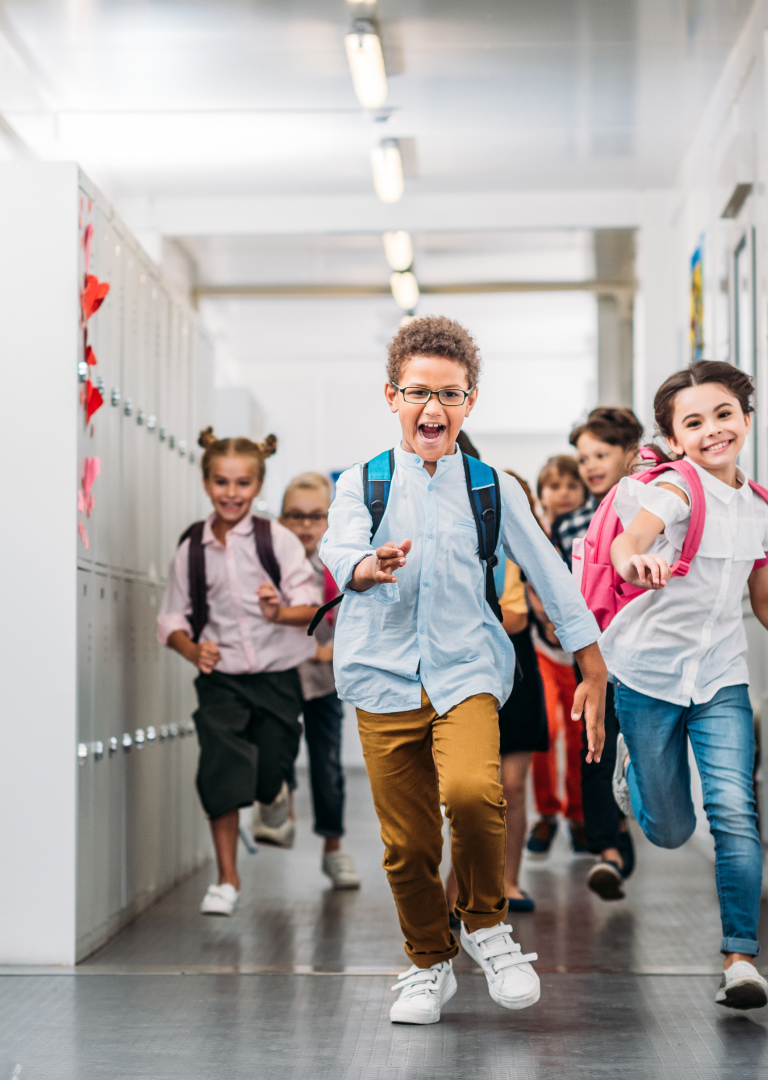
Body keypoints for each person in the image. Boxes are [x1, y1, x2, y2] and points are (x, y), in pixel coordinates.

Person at [319, 315, 606, 1025]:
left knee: (478, 794)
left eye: (450, 395)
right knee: (406, 843)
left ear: (470, 402)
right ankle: (426, 963)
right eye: (419, 393)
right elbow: (338, 550)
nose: (433, 409)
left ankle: (484, 925)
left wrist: (593, 666)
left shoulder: (493, 487)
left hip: (465, 670)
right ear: (393, 397)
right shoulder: (363, 482)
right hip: (382, 675)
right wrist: (366, 565)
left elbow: (550, 573)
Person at [604, 361, 768, 1010]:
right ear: (674, 440)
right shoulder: (675, 490)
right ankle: (637, 772)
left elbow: (764, 596)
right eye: (693, 422)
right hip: (647, 673)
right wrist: (637, 559)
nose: (712, 430)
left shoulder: (760, 507)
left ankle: (740, 959)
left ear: (747, 420)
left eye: (723, 414)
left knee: (734, 811)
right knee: (671, 830)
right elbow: (629, 543)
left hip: (722, 675)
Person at [157, 429, 321, 917]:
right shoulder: (192, 547)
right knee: (221, 768)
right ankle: (227, 878)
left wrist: (278, 612)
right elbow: (171, 616)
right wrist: (193, 650)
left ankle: (275, 795)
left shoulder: (280, 541)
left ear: (258, 485)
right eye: (222, 482)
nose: (232, 493)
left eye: (243, 483)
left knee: (271, 767)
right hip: (221, 675)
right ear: (207, 483)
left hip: (276, 676)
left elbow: (311, 606)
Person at [445, 468, 550, 918]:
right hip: (465, 670)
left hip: (517, 668)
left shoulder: (526, 552)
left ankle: (508, 878)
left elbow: (519, 617)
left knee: (512, 784)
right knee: (466, 787)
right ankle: (459, 883)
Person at [554, 407, 644, 900]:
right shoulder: (570, 524)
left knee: (639, 747)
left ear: (629, 453)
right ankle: (607, 848)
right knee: (595, 744)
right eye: (582, 456)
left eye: (600, 454)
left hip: (644, 650)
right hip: (592, 651)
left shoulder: (650, 508)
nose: (588, 465)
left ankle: (626, 825)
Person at [274, 472, 361, 890]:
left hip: (324, 678)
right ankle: (281, 812)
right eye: (295, 516)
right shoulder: (270, 562)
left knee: (326, 765)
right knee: (277, 750)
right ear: (280, 519)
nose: (306, 526)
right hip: (279, 676)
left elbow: (358, 618)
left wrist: (331, 651)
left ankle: (333, 848)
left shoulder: (338, 563)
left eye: (316, 517)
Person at [526, 456, 589, 858]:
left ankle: (578, 816)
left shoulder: (587, 532)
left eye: (571, 485)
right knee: (545, 731)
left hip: (581, 653)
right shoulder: (533, 534)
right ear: (541, 494)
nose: (563, 493)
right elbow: (527, 580)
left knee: (579, 736)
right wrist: (546, 618)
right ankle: (547, 813)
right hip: (543, 648)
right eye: (554, 486)